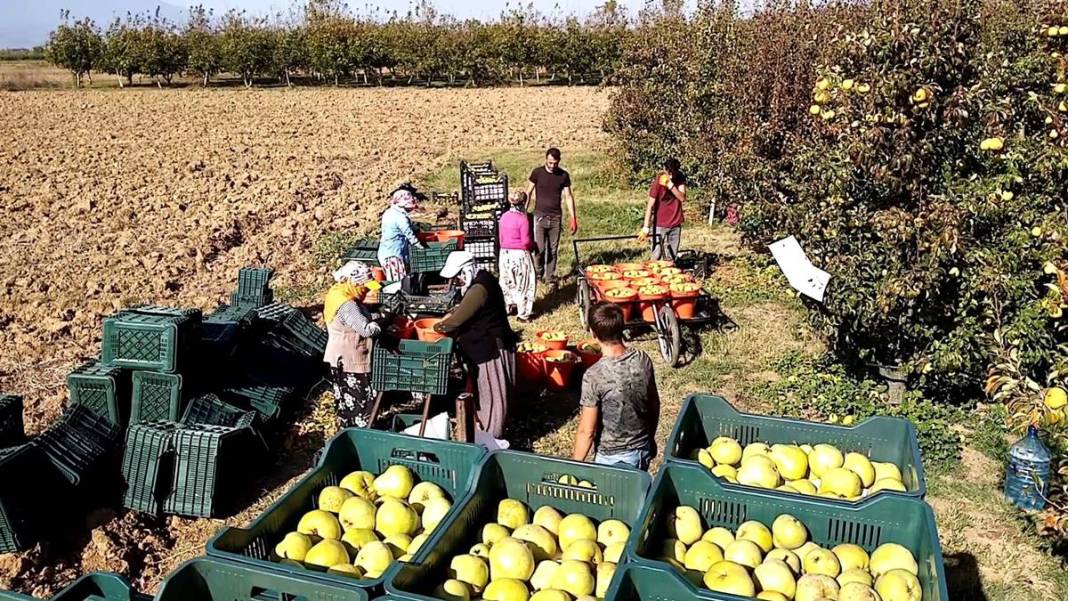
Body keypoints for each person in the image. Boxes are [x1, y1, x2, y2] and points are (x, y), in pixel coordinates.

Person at [434, 251, 518, 439]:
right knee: (488, 394)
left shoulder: (479, 289)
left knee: (491, 396)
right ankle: (485, 432)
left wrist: (437, 326)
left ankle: (490, 438)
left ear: (466, 271)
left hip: (489, 349)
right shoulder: (483, 279)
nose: (455, 282)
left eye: (457, 278)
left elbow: (454, 322)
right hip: (489, 344)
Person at [571, 301, 660, 470]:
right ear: (622, 327)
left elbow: (587, 431)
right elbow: (654, 403)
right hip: (642, 448)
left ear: (593, 333)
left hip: (612, 458)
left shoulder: (594, 376)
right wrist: (650, 438)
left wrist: (574, 465)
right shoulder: (642, 359)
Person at [323, 261, 383, 429]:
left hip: (338, 356)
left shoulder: (337, 291)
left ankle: (346, 429)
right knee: (359, 401)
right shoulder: (348, 305)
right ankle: (363, 432)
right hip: (350, 359)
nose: (367, 290)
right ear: (354, 282)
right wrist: (380, 324)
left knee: (345, 400)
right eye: (364, 287)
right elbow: (366, 330)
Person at [526, 147, 578, 290]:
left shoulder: (563, 176)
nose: (552, 166)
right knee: (540, 249)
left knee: (553, 250)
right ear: (545, 160)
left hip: (555, 217)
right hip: (540, 216)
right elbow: (528, 192)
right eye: (549, 163)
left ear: (559, 161)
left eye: (555, 163)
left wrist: (573, 217)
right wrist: (523, 212)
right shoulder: (537, 173)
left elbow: (568, 196)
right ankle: (538, 273)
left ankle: (550, 278)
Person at [498, 190, 537, 322]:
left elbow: (501, 238)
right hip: (519, 255)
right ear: (523, 202)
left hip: (504, 254)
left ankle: (508, 307)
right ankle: (523, 314)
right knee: (524, 284)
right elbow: (526, 242)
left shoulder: (503, 217)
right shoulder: (522, 219)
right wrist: (533, 246)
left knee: (507, 282)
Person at [641, 158, 688, 261]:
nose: (670, 176)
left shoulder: (680, 178)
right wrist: (646, 227)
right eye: (669, 173)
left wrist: (671, 186)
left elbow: (682, 198)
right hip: (660, 223)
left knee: (671, 255)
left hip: (675, 222)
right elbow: (650, 205)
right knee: (656, 254)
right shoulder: (658, 182)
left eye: (673, 174)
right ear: (664, 169)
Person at [378, 188, 426, 283]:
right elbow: (409, 234)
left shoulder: (390, 212)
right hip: (393, 256)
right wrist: (421, 248)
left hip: (388, 251)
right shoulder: (400, 217)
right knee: (398, 284)